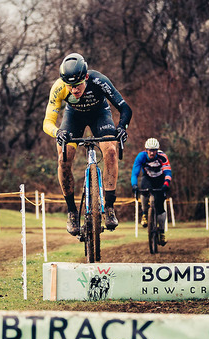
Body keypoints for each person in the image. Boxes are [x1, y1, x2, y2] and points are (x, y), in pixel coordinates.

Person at [43, 53, 132, 235]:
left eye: (77, 85)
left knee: (111, 151)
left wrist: (122, 127)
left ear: (85, 77)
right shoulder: (59, 88)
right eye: (70, 86)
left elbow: (125, 108)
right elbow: (47, 122)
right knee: (63, 158)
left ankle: (108, 207)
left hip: (100, 114)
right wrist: (57, 132)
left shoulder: (99, 80)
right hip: (73, 117)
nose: (74, 90)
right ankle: (72, 212)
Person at [131, 138, 172, 245]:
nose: (152, 152)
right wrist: (134, 185)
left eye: (154, 150)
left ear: (157, 150)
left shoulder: (162, 157)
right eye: (150, 150)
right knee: (143, 189)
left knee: (160, 207)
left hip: (160, 180)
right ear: (146, 150)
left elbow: (168, 172)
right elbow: (135, 173)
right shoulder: (141, 156)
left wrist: (166, 185)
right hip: (148, 178)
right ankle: (145, 214)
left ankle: (162, 232)